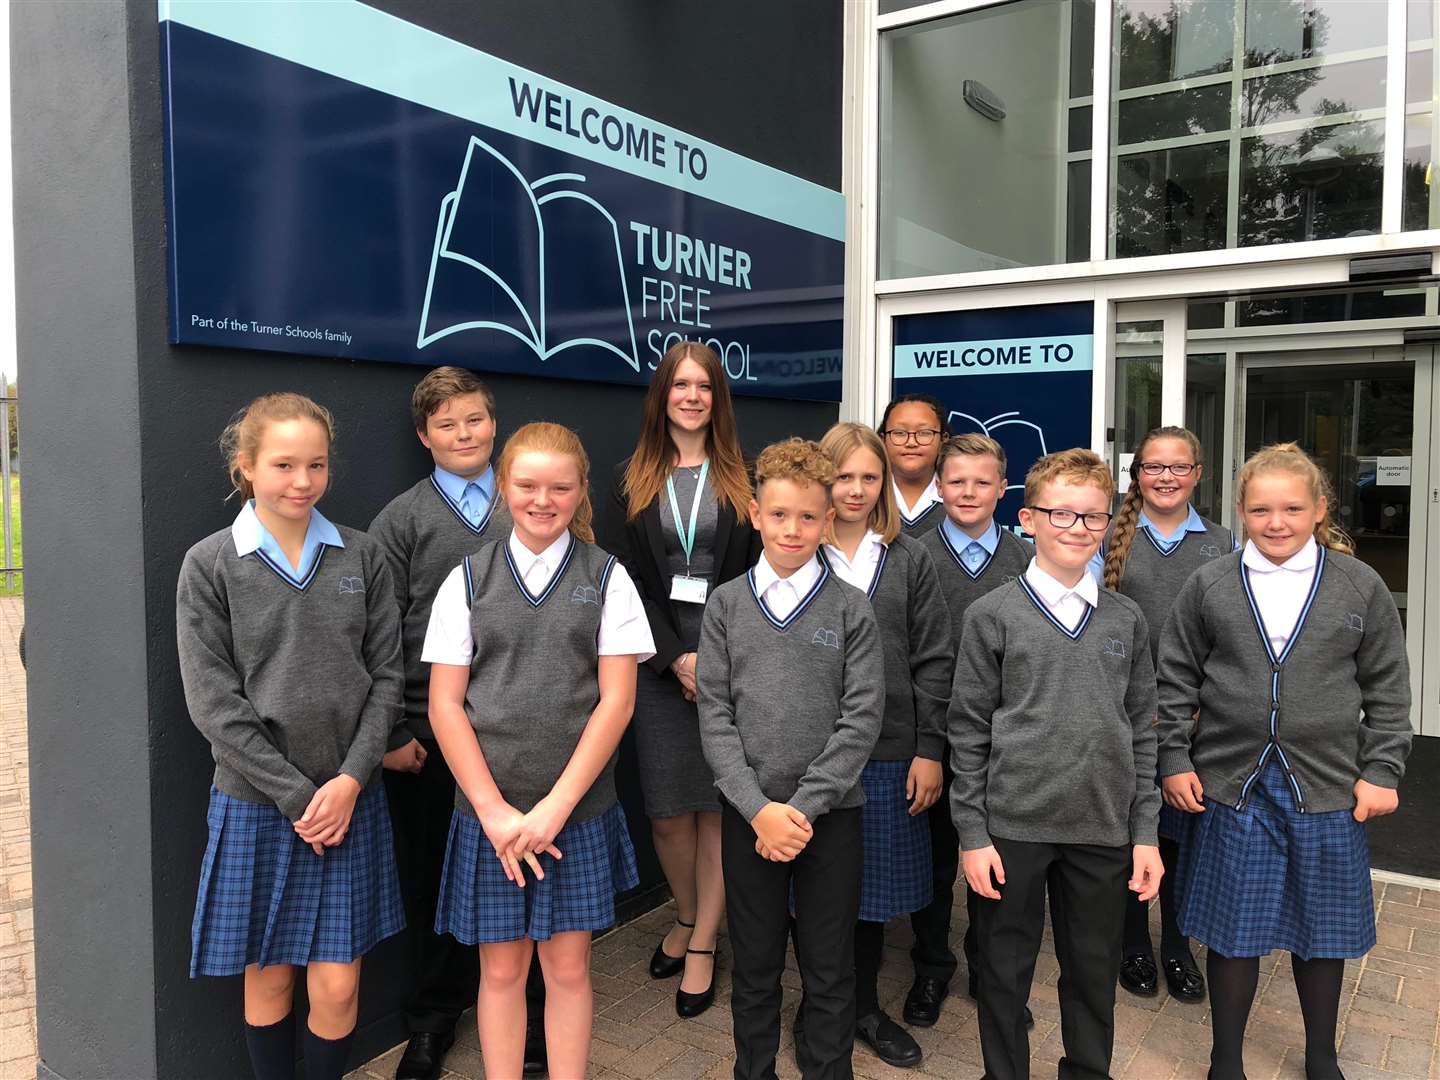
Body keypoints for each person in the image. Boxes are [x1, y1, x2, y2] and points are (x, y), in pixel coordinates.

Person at [1157, 442, 1412, 1080]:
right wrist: (1172, 758)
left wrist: (1382, 769)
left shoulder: (1359, 584)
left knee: (1322, 928)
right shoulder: (1210, 583)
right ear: (1240, 511)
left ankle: (1321, 1054)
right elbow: (1174, 680)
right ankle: (1225, 1060)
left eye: (1293, 508)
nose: (1277, 523)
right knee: (1232, 925)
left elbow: (1388, 687)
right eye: (1262, 509)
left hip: (1326, 784)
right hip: (1231, 780)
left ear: (1320, 508)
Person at [178, 393, 406, 1080]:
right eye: (282, 464)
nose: (301, 480)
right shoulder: (211, 564)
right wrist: (298, 796)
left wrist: (349, 780)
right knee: (270, 976)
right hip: (258, 802)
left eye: (316, 464)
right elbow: (213, 703)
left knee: (338, 984)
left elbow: (387, 678)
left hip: (350, 799)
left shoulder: (362, 557)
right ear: (245, 467)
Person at [423, 421, 654, 1080]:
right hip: (488, 815)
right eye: (527, 485)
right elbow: (445, 706)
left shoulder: (608, 578)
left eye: (560, 486)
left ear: (581, 491)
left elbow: (617, 703)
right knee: (499, 970)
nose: (542, 500)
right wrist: (493, 808)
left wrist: (556, 805)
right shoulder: (465, 580)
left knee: (569, 967)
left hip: (574, 815)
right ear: (503, 487)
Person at [950, 448, 1164, 1080]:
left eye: (1093, 517)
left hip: (1102, 830)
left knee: (1093, 973)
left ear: (1108, 524)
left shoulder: (1126, 619)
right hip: (1011, 829)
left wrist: (1145, 833)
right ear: (1028, 520)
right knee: (1004, 971)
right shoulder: (991, 616)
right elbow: (967, 735)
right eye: (1062, 513)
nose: (1078, 528)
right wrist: (972, 833)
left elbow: (1144, 734)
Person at [369, 367, 545, 1080]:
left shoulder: (528, 504)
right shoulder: (402, 520)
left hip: (517, 739)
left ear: (493, 424)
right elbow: (376, 637)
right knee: (435, 884)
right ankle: (432, 1023)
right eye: (446, 424)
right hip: (428, 743)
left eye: (474, 419)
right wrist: (390, 736)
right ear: (424, 436)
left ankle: (532, 1020)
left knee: (526, 879)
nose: (464, 433)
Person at [698, 437, 884, 1080]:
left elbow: (861, 720)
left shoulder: (850, 606)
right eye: (779, 515)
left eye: (808, 516)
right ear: (755, 513)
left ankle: (828, 1069)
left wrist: (799, 810)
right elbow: (715, 717)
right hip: (749, 818)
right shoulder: (724, 605)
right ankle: (755, 1069)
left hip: (829, 818)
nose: (793, 529)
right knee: (754, 964)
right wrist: (758, 811)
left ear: (829, 520)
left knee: (830, 966)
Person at [604, 341, 758, 1018]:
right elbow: (628, 581)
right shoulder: (631, 477)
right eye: (680, 385)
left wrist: (712, 661)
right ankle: (692, 916)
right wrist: (675, 657)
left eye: (704, 386)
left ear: (716, 398)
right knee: (669, 812)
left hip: (732, 664)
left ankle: (701, 944)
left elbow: (756, 578)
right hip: (659, 663)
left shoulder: (744, 480)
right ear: (662, 396)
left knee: (719, 811)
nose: (692, 396)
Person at [816, 423, 953, 1069]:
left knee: (868, 899)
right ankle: (823, 1011)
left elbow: (934, 659)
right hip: (808, 758)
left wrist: (929, 748)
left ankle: (863, 1008)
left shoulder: (909, 558)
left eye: (869, 477)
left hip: (888, 754)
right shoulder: (796, 550)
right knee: (814, 898)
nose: (855, 488)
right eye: (843, 475)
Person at [1096, 426, 1233, 1006]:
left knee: (1181, 839)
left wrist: (1204, 702)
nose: (1166, 477)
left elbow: (1231, 636)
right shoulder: (1106, 539)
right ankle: (1131, 942)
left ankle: (1176, 945)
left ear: (1198, 474)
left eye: (1179, 467)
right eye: (1154, 467)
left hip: (1195, 719)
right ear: (1137, 475)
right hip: (1124, 714)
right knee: (1130, 830)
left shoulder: (1224, 543)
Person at [912, 433, 1034, 1029]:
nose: (968, 492)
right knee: (935, 863)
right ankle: (932, 967)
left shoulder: (1027, 560)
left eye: (982, 481)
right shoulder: (909, 555)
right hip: (937, 742)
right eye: (956, 480)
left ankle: (990, 972)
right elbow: (911, 660)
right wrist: (927, 748)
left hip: (1007, 747)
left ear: (1002, 489)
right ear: (937, 486)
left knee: (998, 863)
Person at [877, 395, 948, 536]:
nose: (911, 442)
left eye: (924, 433)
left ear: (943, 440)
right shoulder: (868, 496)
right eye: (899, 433)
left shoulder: (958, 497)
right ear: (883, 440)